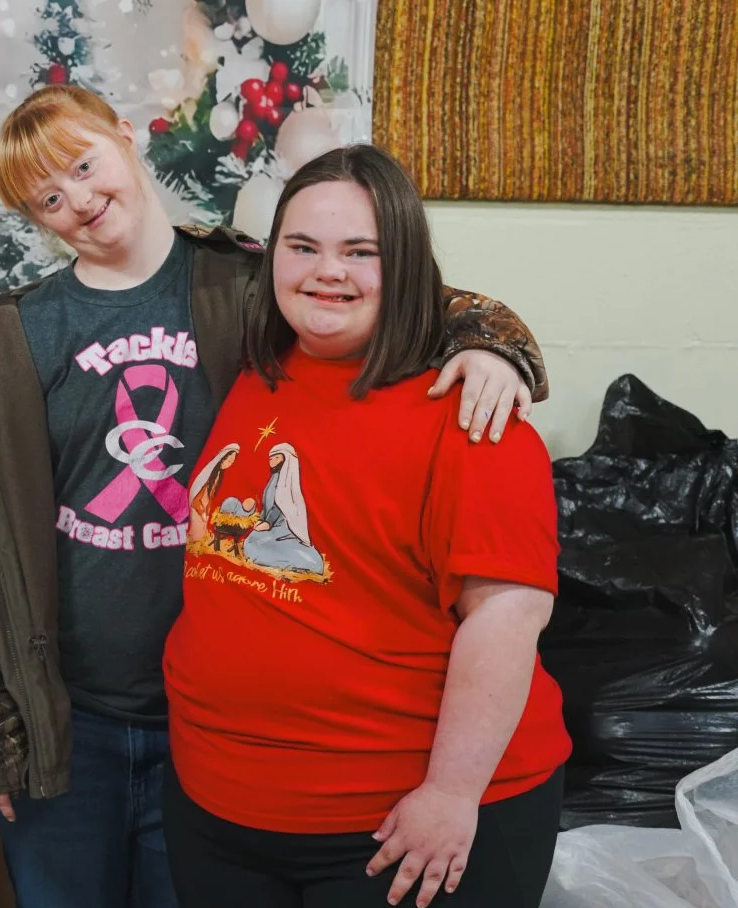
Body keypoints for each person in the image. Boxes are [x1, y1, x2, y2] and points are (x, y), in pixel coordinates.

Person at [0, 85, 548, 908]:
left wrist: (494, 347)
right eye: (48, 197)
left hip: (208, 739)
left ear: (125, 136)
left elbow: (392, 291)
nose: (80, 199)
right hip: (73, 719)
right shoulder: (14, 339)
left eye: (82, 163)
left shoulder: (248, 290)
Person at [163, 145, 570, 908]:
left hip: (393, 826)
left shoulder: (472, 412)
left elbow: (509, 613)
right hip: (217, 807)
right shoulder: (255, 366)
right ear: (272, 256)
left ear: (407, 266)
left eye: (362, 252)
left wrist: (451, 794)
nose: (328, 272)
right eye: (304, 247)